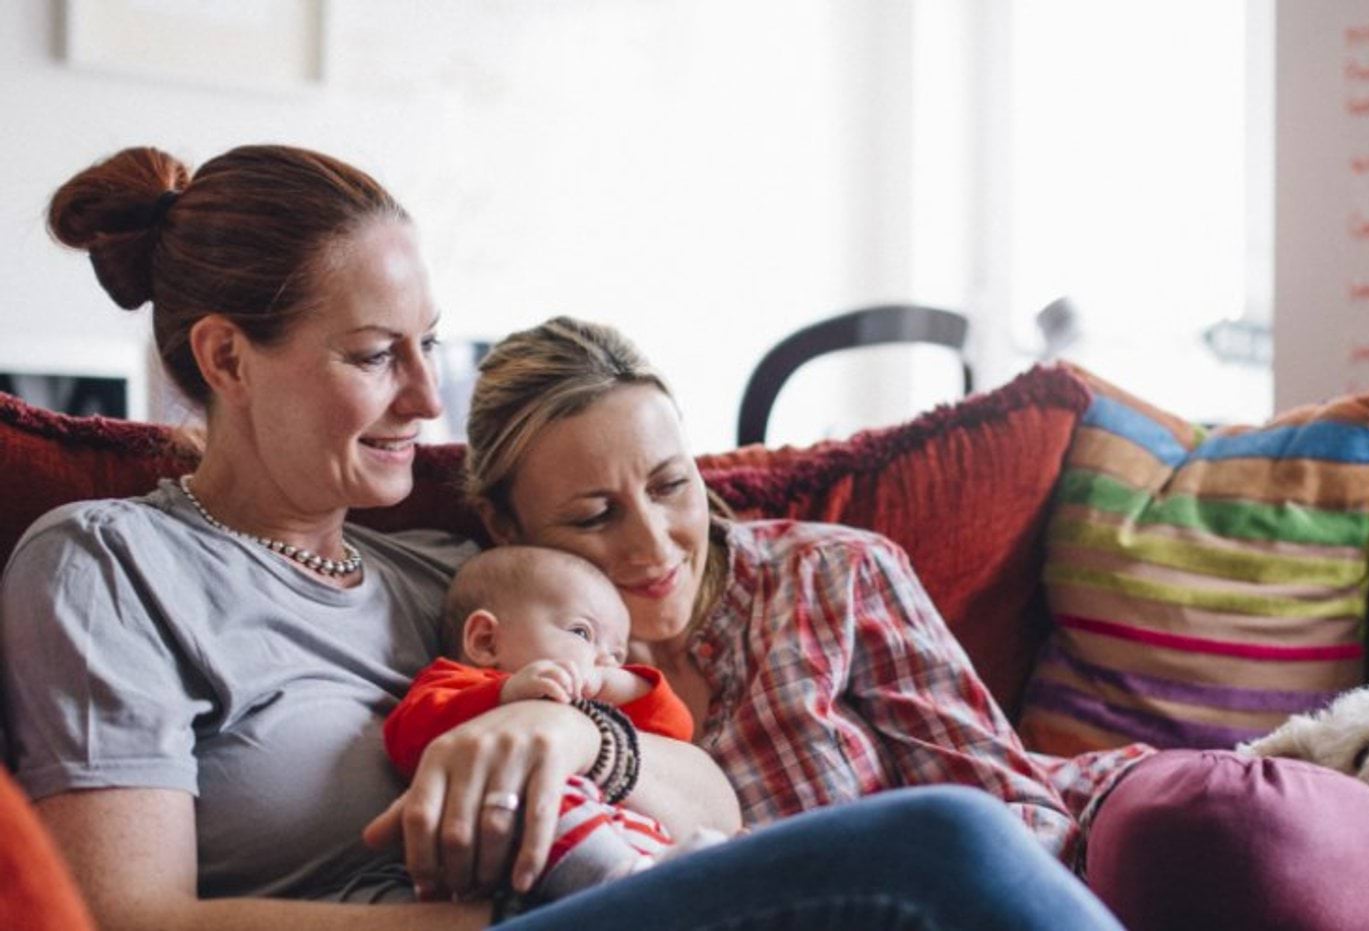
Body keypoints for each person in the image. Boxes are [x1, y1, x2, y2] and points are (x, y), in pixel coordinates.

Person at [0, 144, 1126, 931]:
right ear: (227, 358)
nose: (426, 400)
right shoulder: (107, 565)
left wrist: (578, 740)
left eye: (428, 346)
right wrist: (486, 912)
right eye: (371, 355)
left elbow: (716, 799)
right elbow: (117, 916)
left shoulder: (455, 571)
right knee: (941, 847)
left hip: (602, 894)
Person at [449, 315, 1369, 931]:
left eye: (673, 485)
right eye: (594, 516)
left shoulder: (830, 575)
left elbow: (1004, 798)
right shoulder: (515, 655)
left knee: (1232, 839)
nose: (652, 544)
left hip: (1099, 833)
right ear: (507, 522)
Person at [384, 545, 718, 903]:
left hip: (618, 837)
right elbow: (407, 738)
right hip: (503, 848)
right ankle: (624, 881)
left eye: (617, 654)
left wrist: (632, 685)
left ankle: (684, 868)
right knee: (543, 798)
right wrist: (505, 694)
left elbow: (676, 732)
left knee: (636, 816)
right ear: (485, 641)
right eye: (582, 633)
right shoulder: (454, 683)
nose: (604, 660)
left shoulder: (593, 706)